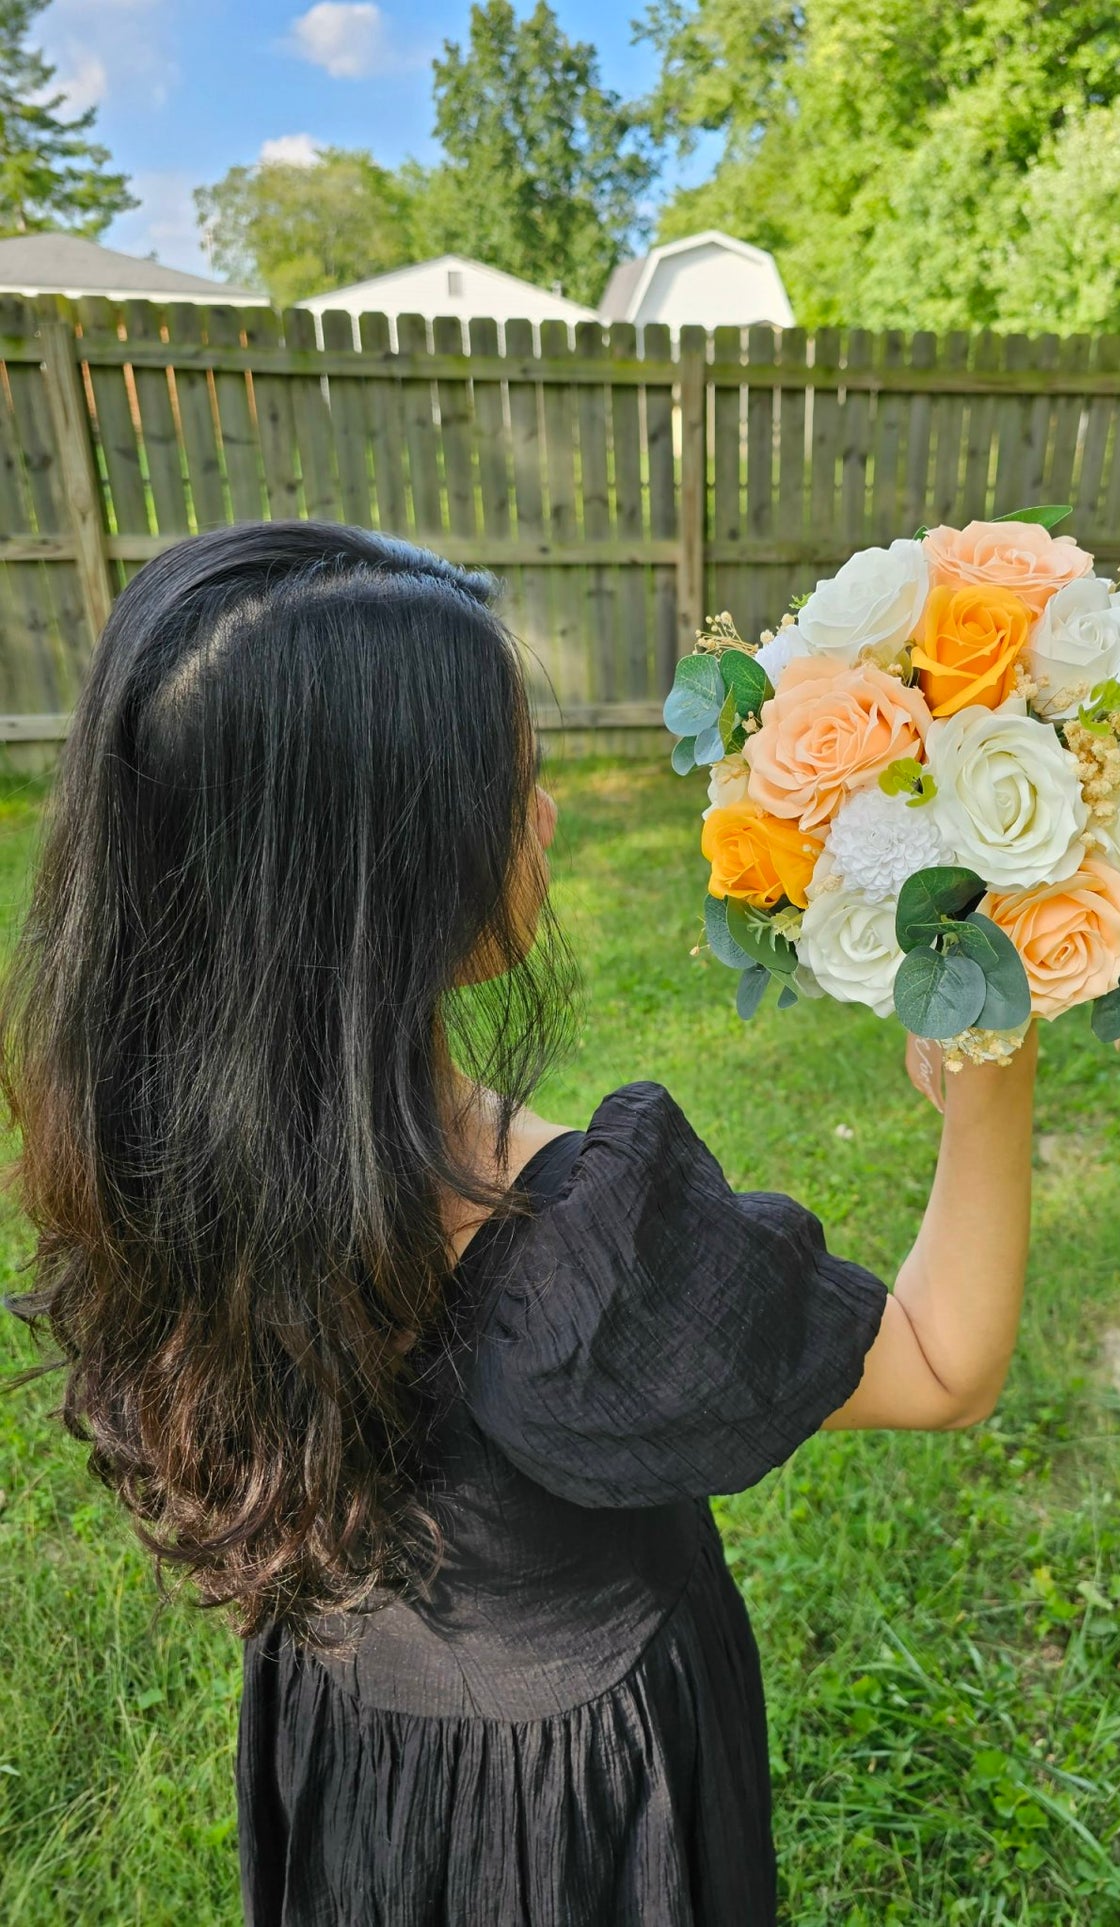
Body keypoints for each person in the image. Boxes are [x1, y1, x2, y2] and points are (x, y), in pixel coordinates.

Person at [2, 524, 1037, 1927]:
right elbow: (939, 1358)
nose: (544, 815)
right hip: (577, 1822)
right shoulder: (568, 1263)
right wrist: (991, 1086)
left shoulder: (147, 1155)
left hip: (355, 1760)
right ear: (398, 874)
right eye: (518, 784)